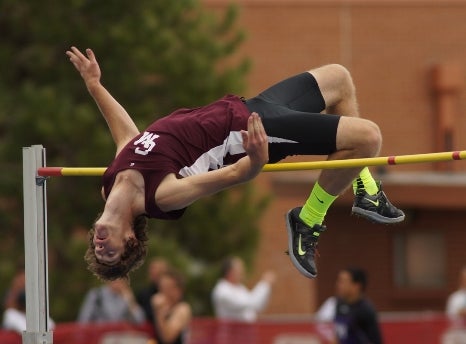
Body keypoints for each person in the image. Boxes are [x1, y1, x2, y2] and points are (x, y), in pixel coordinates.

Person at [66, 46, 405, 281]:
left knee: (340, 79)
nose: (99, 247)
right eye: (109, 254)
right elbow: (234, 174)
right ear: (131, 241)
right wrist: (256, 157)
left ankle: (366, 187)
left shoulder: (109, 183)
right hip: (255, 131)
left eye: (98, 252)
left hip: (248, 106)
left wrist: (94, 85)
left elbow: (129, 138)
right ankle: (309, 219)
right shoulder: (160, 197)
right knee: (368, 138)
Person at [315, 267, 383, 344]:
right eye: (339, 281)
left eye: (343, 281)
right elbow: (338, 333)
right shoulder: (338, 304)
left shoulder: (365, 310)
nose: (338, 285)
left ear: (356, 286)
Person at [212, 256, 275, 322]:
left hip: (245, 331)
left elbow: (258, 307)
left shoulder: (240, 288)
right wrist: (264, 283)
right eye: (239, 269)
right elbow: (253, 303)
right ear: (230, 272)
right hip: (232, 332)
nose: (243, 271)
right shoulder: (222, 291)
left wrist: (267, 287)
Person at [150, 269, 191, 344]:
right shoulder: (164, 308)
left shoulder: (182, 308)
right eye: (161, 287)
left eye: (168, 287)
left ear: (178, 289)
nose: (163, 291)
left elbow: (168, 338)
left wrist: (159, 312)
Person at [77, 279, 145, 324]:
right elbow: (83, 320)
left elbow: (140, 320)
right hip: (99, 337)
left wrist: (131, 302)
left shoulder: (126, 297)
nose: (117, 281)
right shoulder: (96, 295)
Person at [137, 257, 169, 322]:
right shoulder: (144, 294)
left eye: (154, 269)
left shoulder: (170, 293)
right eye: (151, 269)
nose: (151, 271)